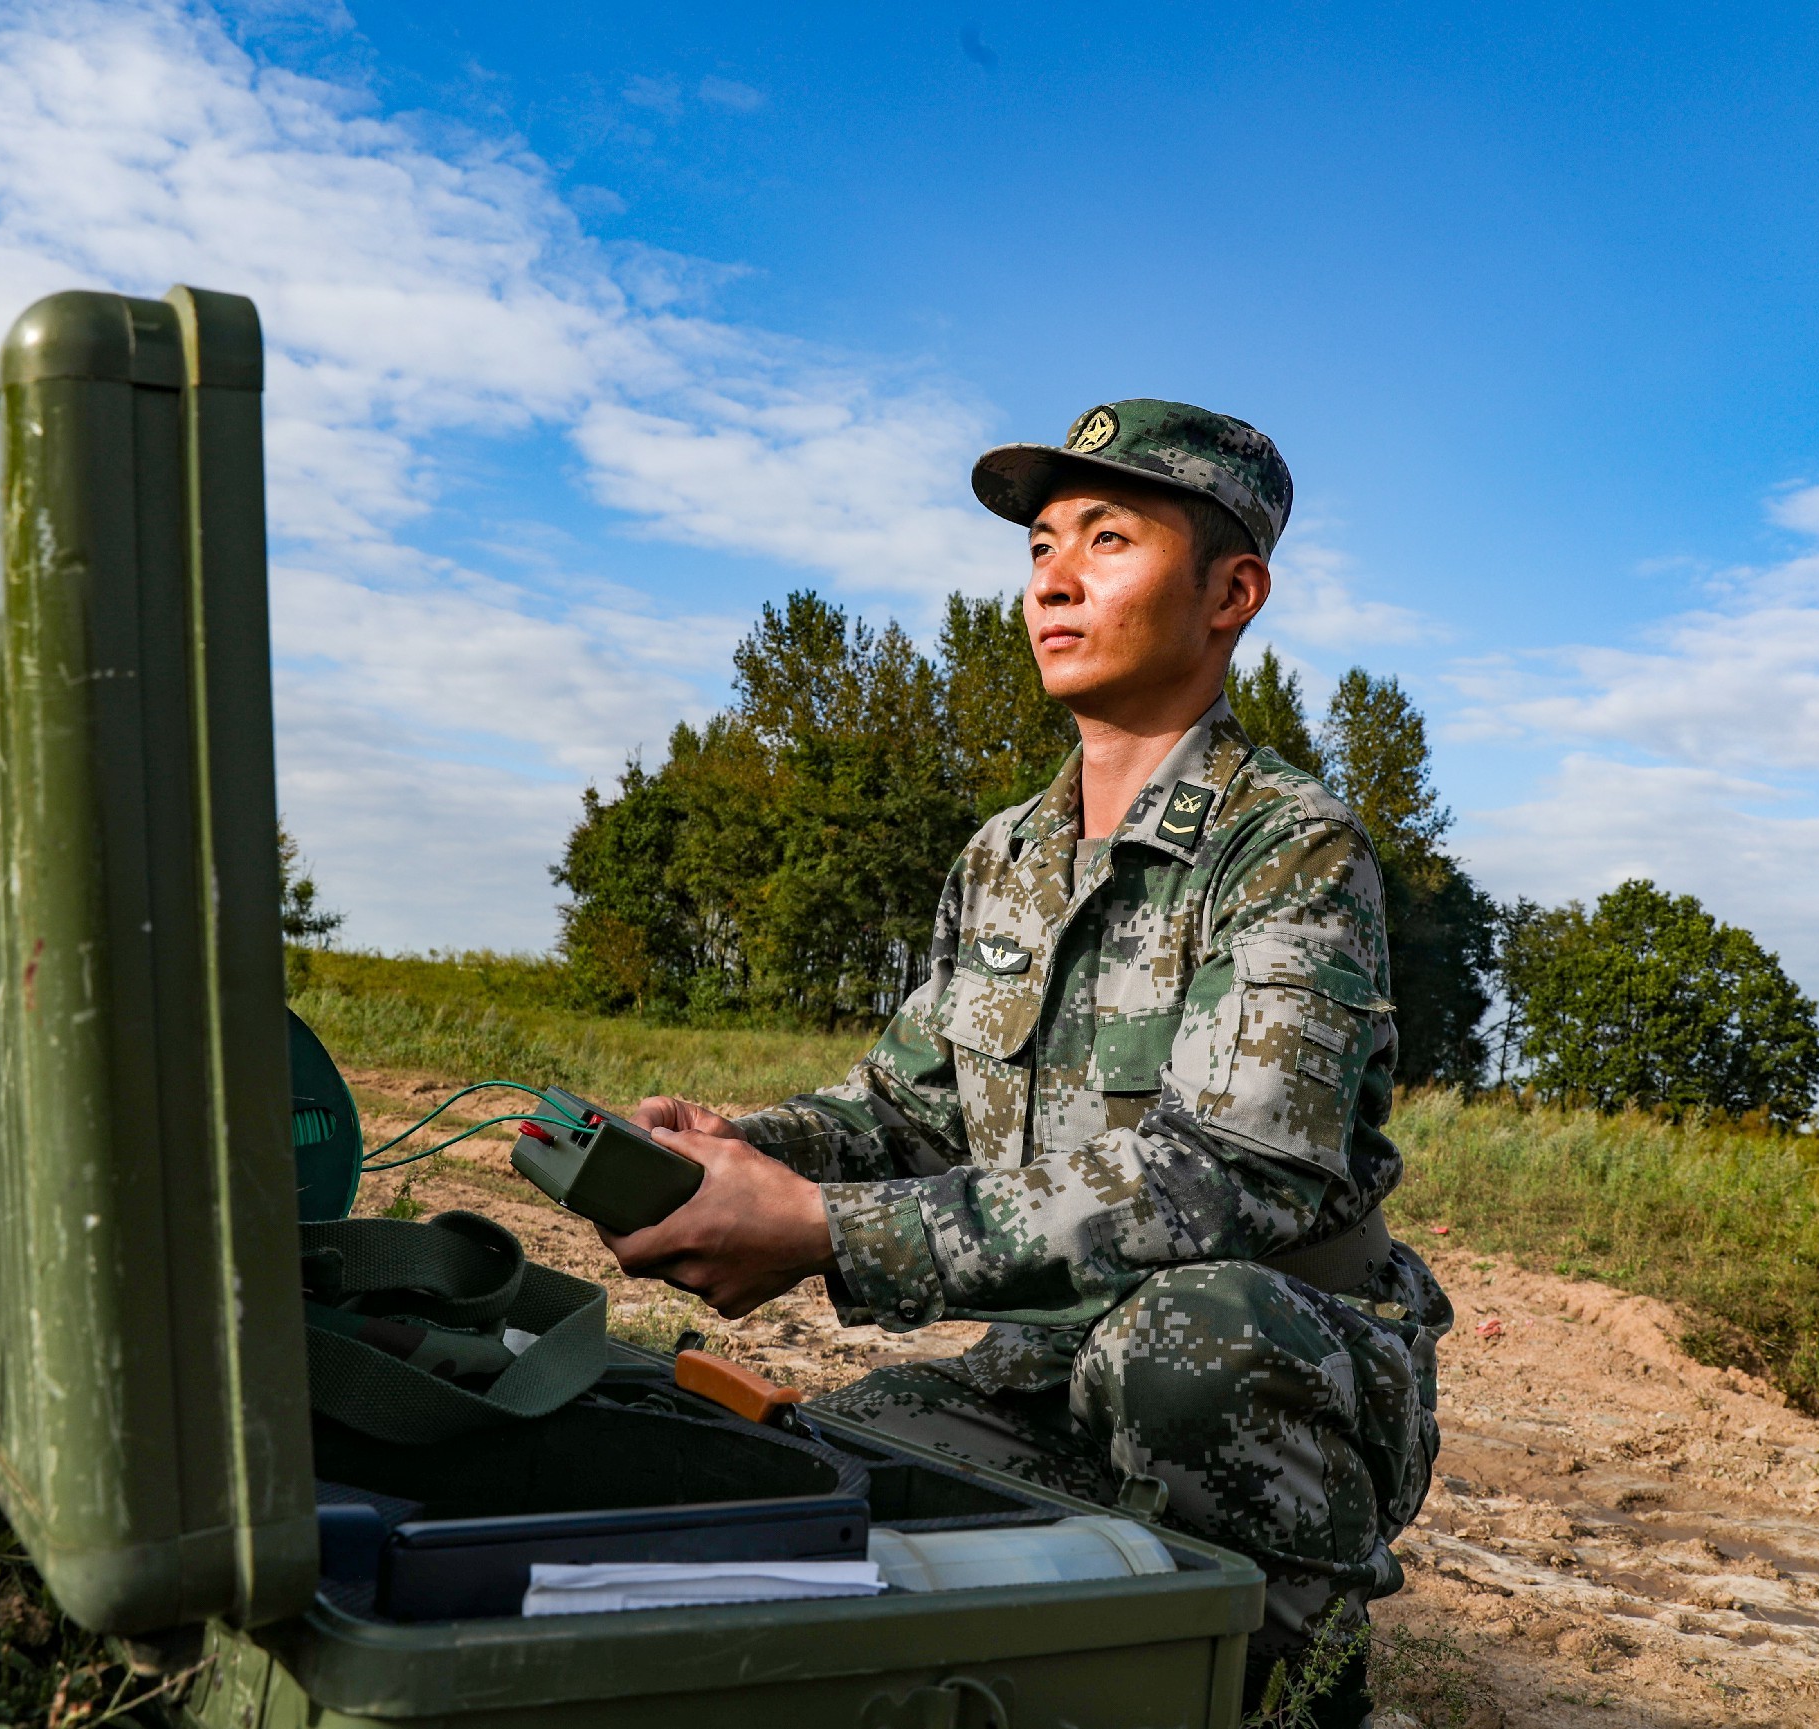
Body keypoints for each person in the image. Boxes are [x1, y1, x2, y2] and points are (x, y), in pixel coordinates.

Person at [598, 399, 1450, 1728]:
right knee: (827, 1482)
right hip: (1046, 1362)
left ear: (1234, 592)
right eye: (1044, 543)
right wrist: (739, 1156)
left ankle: (1286, 1684)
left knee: (1188, 1349)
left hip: (1278, 1360)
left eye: (1108, 539)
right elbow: (905, 1103)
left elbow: (1232, 1173)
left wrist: (825, 1230)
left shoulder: (1293, 849)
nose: (1053, 577)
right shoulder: (1002, 856)